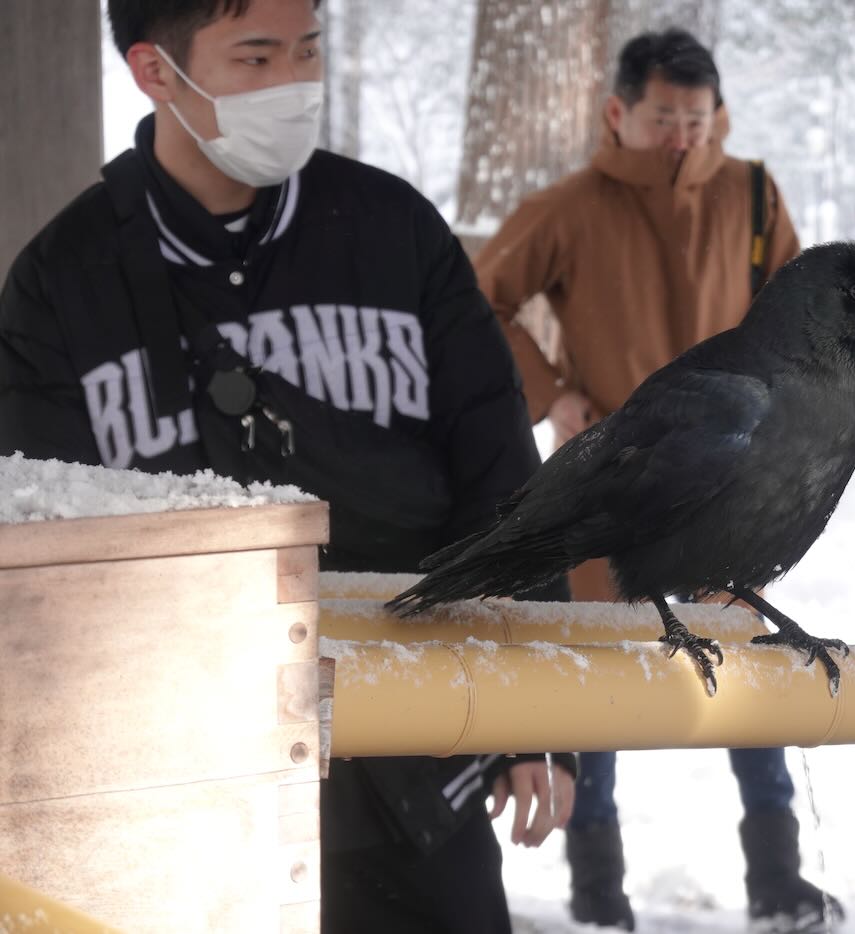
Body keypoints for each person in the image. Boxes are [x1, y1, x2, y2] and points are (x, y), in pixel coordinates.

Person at [0, 1, 575, 931]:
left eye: (308, 51)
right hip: (187, 805)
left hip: (423, 781)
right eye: (257, 57)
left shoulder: (395, 233)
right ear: (155, 73)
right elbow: (49, 574)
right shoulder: (61, 285)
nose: (294, 85)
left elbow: (502, 476)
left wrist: (539, 715)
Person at [474, 27, 843, 934]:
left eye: (696, 118)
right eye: (663, 117)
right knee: (605, 674)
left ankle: (778, 880)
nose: (682, 137)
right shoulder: (568, 207)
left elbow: (804, 324)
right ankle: (599, 896)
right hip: (630, 481)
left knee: (752, 666)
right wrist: (555, 395)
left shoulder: (751, 196)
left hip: (742, 483)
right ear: (618, 113)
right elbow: (480, 301)